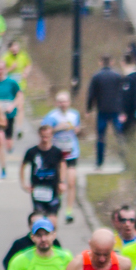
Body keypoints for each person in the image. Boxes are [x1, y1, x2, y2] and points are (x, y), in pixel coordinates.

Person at [42, 92, 82, 223]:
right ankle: (54, 207)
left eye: (65, 101)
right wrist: (57, 129)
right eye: (60, 102)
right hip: (57, 155)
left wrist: (77, 130)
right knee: (58, 183)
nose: (63, 104)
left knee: (71, 181)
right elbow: (44, 132)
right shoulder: (51, 116)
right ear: (56, 103)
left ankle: (69, 211)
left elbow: (78, 128)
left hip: (71, 152)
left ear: (69, 102)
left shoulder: (74, 114)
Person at [86, 55, 125, 170]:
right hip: (116, 110)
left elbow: (91, 94)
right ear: (112, 62)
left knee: (101, 137)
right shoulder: (118, 75)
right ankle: (125, 160)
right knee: (120, 136)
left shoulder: (96, 76)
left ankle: (99, 162)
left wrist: (89, 109)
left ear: (100, 62)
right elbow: (122, 94)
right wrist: (123, 110)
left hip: (102, 110)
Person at [21, 124, 67, 216]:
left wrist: (61, 182)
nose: (45, 139)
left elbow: (63, 165)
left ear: (51, 136)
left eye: (47, 136)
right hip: (38, 189)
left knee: (52, 218)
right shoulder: (32, 152)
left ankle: (53, 230)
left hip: (53, 188)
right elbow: (23, 166)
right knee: (39, 217)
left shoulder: (56, 152)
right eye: (43, 136)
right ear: (39, 135)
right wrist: (23, 184)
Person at [0, 60, 24, 178]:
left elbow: (19, 95)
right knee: (0, 142)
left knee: (8, 144)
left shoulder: (11, 82)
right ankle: (3, 169)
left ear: (5, 69)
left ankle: (10, 145)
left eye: (1, 69)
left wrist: (13, 106)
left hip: (9, 116)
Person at [120, 55, 136, 136]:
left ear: (123, 63)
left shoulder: (129, 79)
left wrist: (123, 112)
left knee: (125, 135)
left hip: (129, 113)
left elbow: (126, 97)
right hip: (135, 111)